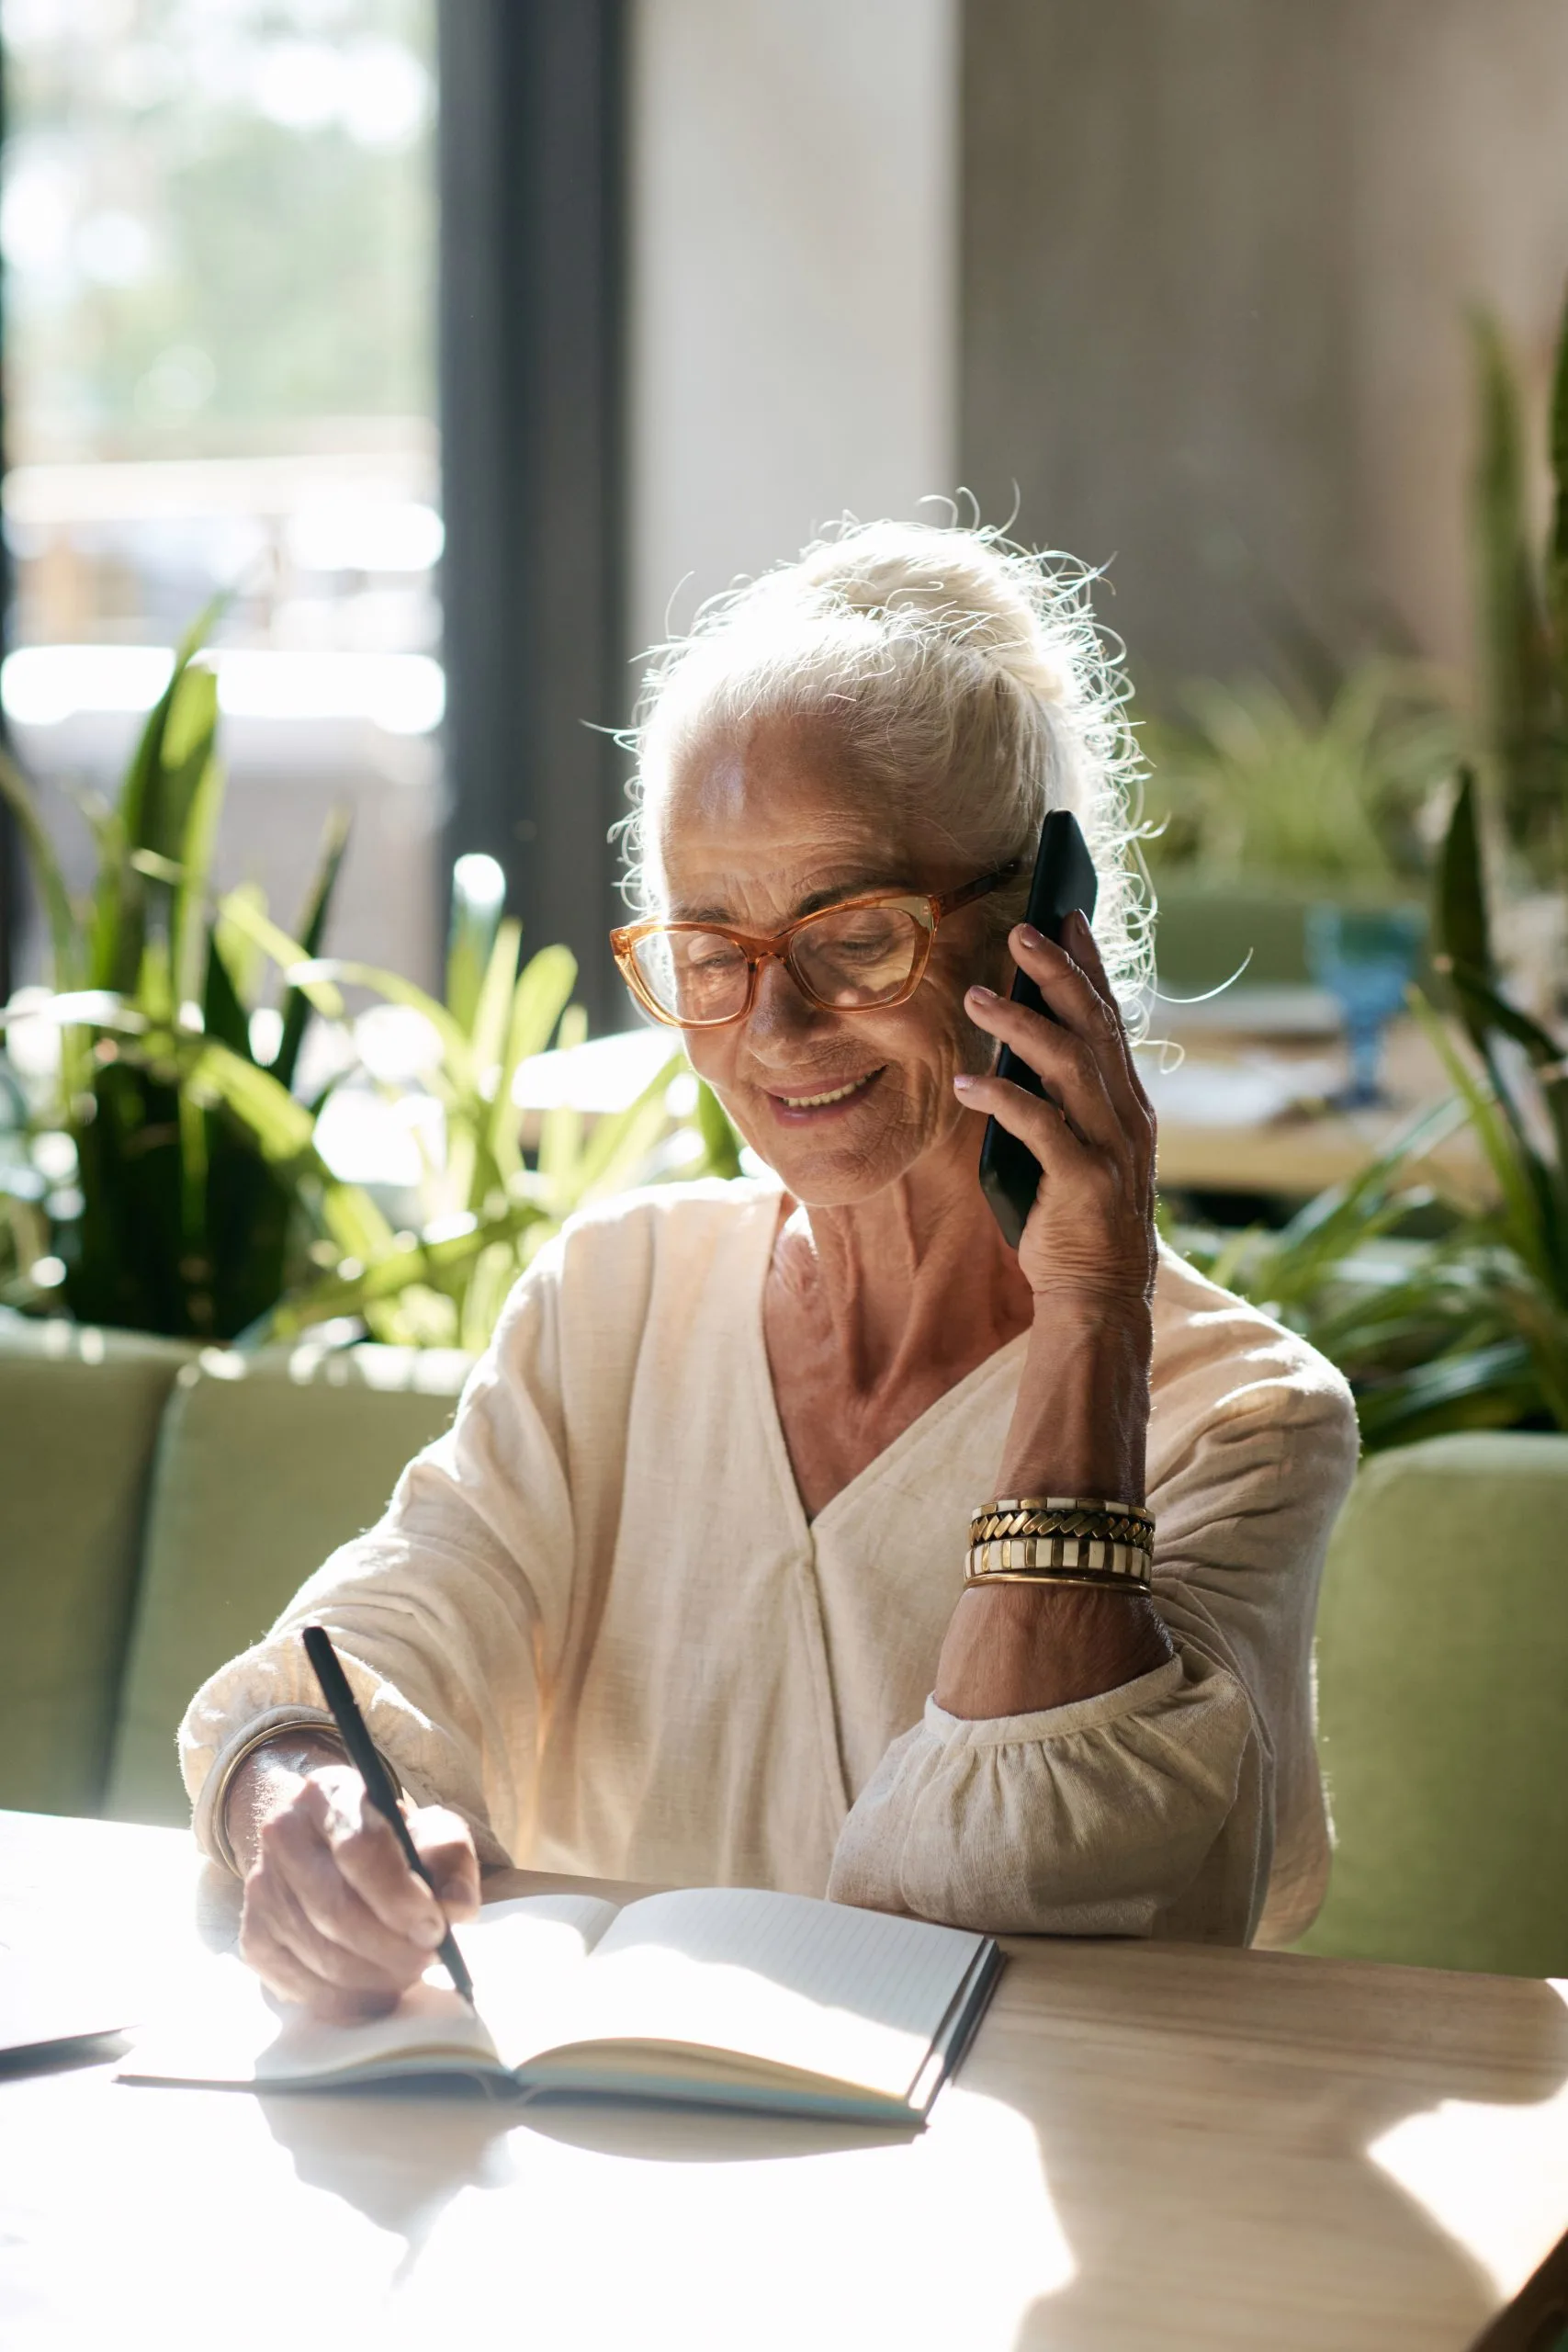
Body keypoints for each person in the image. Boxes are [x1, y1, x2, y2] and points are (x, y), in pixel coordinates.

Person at [181, 522, 1358, 2020]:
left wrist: (1091, 1315)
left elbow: (1028, 1874)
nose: (776, 1028)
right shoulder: (615, 1296)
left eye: (854, 934)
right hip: (607, 2162)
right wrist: (303, 1796)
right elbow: (384, 1639)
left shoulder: (1242, 1418)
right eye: (711, 947)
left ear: (1044, 932)